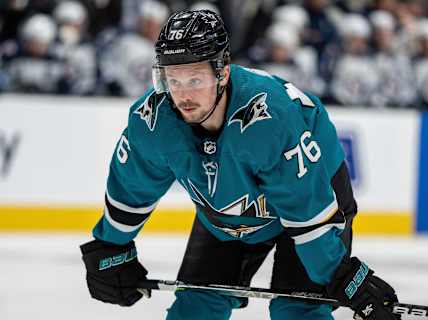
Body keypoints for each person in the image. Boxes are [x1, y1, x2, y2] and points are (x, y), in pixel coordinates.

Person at [80, 9, 399, 320]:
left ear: (223, 72)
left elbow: (307, 212)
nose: (183, 95)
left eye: (195, 79)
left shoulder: (269, 120)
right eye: (173, 80)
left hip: (313, 195)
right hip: (227, 211)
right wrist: (110, 245)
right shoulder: (152, 119)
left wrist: (342, 275)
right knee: (195, 308)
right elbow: (132, 188)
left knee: (298, 311)